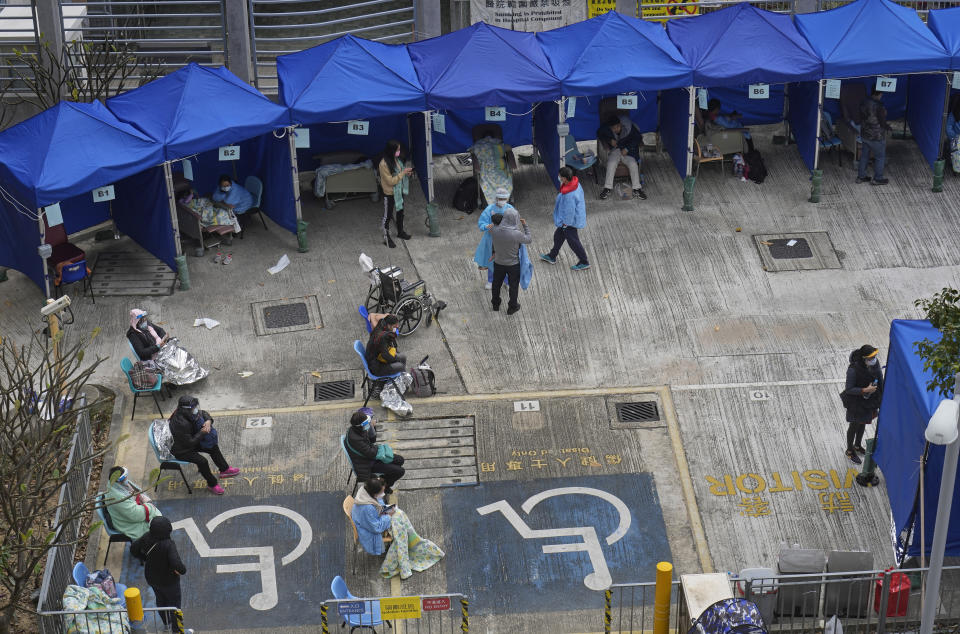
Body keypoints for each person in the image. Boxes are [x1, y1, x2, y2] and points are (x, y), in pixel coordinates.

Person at [352, 476, 444, 579]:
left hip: (374, 520)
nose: (383, 494)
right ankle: (408, 555)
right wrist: (388, 515)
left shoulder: (365, 491)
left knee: (400, 522)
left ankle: (404, 561)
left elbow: (378, 504)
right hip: (370, 532)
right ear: (374, 493)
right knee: (400, 528)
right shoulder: (367, 508)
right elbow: (376, 528)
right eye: (381, 492)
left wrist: (386, 511)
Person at [130, 517, 191, 634]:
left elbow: (133, 549)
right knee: (175, 607)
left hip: (152, 578)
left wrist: (145, 558)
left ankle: (167, 625)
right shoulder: (169, 545)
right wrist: (180, 571)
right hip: (169, 582)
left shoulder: (146, 537)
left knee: (161, 601)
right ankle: (177, 630)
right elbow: (179, 566)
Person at [168, 396, 239, 495]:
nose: (195, 409)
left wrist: (208, 421)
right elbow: (190, 442)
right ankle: (212, 484)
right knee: (202, 461)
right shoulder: (180, 423)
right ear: (186, 409)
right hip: (182, 450)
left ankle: (224, 469)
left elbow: (203, 413)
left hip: (192, 441)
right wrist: (202, 432)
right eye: (193, 408)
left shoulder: (188, 413)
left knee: (212, 447)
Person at [126, 309, 208, 386]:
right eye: (142, 320)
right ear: (137, 322)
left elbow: (160, 330)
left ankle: (194, 373)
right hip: (153, 356)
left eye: (145, 319)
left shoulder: (147, 324)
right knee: (175, 365)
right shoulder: (133, 335)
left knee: (182, 354)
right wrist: (157, 347)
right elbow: (142, 352)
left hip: (162, 348)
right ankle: (180, 379)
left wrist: (163, 339)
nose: (145, 321)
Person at [540, 166, 589, 271]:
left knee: (573, 242)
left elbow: (569, 212)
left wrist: (566, 224)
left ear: (565, 178)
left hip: (569, 222)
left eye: (560, 176)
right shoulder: (575, 184)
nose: (558, 177)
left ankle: (584, 262)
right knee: (558, 236)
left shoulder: (569, 195)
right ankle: (552, 256)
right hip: (570, 220)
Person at [344, 409, 405, 493]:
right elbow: (371, 453)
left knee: (400, 460)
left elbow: (372, 441)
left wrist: (372, 427)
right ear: (361, 425)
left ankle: (384, 479)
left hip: (369, 457)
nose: (368, 424)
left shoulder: (358, 430)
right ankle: (385, 486)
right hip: (367, 463)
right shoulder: (355, 439)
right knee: (400, 471)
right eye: (367, 423)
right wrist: (382, 448)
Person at [841, 345, 883, 464]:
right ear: (863, 358)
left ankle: (858, 445)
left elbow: (880, 378)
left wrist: (882, 395)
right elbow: (849, 389)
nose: (874, 359)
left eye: (874, 356)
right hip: (856, 402)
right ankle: (850, 450)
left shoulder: (875, 364)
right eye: (871, 358)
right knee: (854, 425)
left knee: (863, 422)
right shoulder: (853, 369)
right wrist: (865, 390)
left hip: (869, 401)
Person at [490, 207, 531, 315]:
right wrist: (525, 225)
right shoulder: (516, 234)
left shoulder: (494, 229)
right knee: (513, 286)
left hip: (498, 262)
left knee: (496, 284)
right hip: (513, 264)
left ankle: (495, 304)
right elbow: (529, 239)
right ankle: (512, 307)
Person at [473, 187, 516, 290]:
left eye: (503, 199)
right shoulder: (489, 209)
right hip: (491, 239)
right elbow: (482, 222)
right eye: (500, 199)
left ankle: (507, 281)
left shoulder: (510, 208)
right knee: (491, 260)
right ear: (496, 198)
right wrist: (486, 226)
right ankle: (491, 280)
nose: (502, 201)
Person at [103, 466, 162, 540]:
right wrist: (149, 505)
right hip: (126, 523)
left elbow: (135, 494)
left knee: (159, 523)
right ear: (120, 480)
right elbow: (135, 515)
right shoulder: (117, 496)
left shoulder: (115, 485)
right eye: (126, 477)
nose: (127, 479)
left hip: (125, 516)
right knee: (158, 527)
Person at [597, 114, 645, 200]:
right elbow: (599, 132)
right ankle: (607, 188)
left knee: (633, 164)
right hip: (616, 150)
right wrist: (609, 140)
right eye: (613, 128)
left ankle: (637, 189)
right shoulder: (607, 128)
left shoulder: (629, 127)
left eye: (617, 127)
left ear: (620, 125)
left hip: (628, 151)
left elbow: (638, 138)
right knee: (611, 163)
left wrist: (627, 148)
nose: (615, 130)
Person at [377, 139, 414, 248]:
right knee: (387, 216)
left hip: (399, 191)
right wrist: (403, 173)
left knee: (400, 211)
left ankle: (400, 231)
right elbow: (391, 181)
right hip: (389, 193)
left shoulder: (397, 159)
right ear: (391, 150)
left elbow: (400, 172)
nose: (399, 151)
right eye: (397, 150)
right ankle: (386, 237)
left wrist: (407, 173)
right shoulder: (383, 164)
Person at [857, 89, 889, 185]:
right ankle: (878, 178)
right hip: (876, 136)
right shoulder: (878, 106)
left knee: (864, 156)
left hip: (865, 134)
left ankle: (861, 177)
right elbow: (882, 121)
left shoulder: (864, 102)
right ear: (880, 93)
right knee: (880, 157)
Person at [946, 97, 960, 174]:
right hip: (955, 139)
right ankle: (957, 167)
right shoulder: (954, 113)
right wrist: (955, 137)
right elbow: (948, 128)